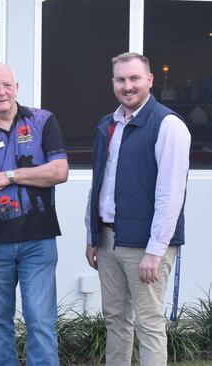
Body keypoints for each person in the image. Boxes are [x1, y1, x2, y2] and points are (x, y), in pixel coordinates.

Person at [0, 62, 69, 366]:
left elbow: (59, 171)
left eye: (6, 85)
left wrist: (11, 175)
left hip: (39, 241)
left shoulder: (43, 121)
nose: (1, 92)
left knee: (41, 323)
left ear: (16, 87)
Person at [85, 52, 190, 366]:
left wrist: (155, 251)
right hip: (107, 240)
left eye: (134, 78)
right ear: (113, 82)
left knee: (149, 323)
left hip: (145, 245)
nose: (127, 86)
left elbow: (171, 194)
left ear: (150, 80)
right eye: (121, 79)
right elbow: (99, 185)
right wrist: (92, 237)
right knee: (115, 319)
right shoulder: (108, 124)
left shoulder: (168, 125)